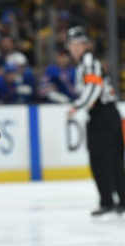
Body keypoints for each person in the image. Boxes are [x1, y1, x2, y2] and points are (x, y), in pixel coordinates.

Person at [66, 26, 125, 217]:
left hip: (103, 116)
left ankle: (108, 201)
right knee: (114, 160)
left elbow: (93, 88)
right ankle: (120, 201)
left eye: (76, 44)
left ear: (83, 45)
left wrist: (77, 105)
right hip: (108, 115)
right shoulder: (86, 62)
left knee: (100, 160)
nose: (73, 49)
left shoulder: (89, 62)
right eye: (72, 45)